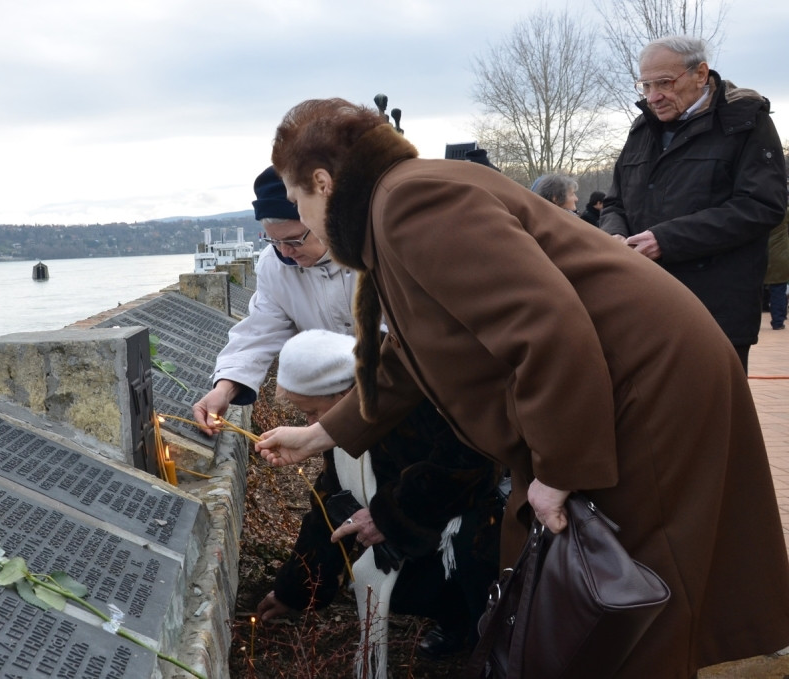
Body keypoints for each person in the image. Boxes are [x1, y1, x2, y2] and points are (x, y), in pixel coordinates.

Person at [254, 97, 789, 678]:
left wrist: (560, 470)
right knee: (600, 592)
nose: (302, 219)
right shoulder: (397, 205)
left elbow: (547, 326)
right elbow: (409, 355)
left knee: (623, 590)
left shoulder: (411, 203)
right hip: (615, 377)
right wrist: (320, 434)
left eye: (299, 198)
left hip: (643, 380)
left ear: (324, 182)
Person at [255, 330, 502, 670]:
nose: (309, 425)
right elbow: (328, 507)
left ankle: (493, 640)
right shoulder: (344, 436)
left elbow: (469, 467)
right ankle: (456, 618)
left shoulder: (419, 403)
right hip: (425, 530)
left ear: (344, 395)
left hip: (481, 516)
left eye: (312, 412)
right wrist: (292, 591)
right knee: (390, 576)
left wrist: (390, 516)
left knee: (472, 554)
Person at [599, 35, 787, 371]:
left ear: (700, 74)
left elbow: (761, 205)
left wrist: (666, 240)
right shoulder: (641, 129)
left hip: (714, 311)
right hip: (640, 305)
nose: (653, 97)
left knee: (710, 418)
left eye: (665, 83)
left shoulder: (746, 123)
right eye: (645, 85)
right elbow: (614, 203)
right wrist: (613, 237)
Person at [191, 166, 358, 433]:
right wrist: (225, 388)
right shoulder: (275, 264)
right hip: (331, 403)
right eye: (274, 240)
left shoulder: (371, 251)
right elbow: (260, 331)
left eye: (294, 239)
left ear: (324, 218)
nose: (285, 251)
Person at [763, 206, 789, 330]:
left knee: (759, 289)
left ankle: (766, 311)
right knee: (779, 288)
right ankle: (778, 320)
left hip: (763, 254)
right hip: (781, 255)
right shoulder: (784, 212)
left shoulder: (761, 211)